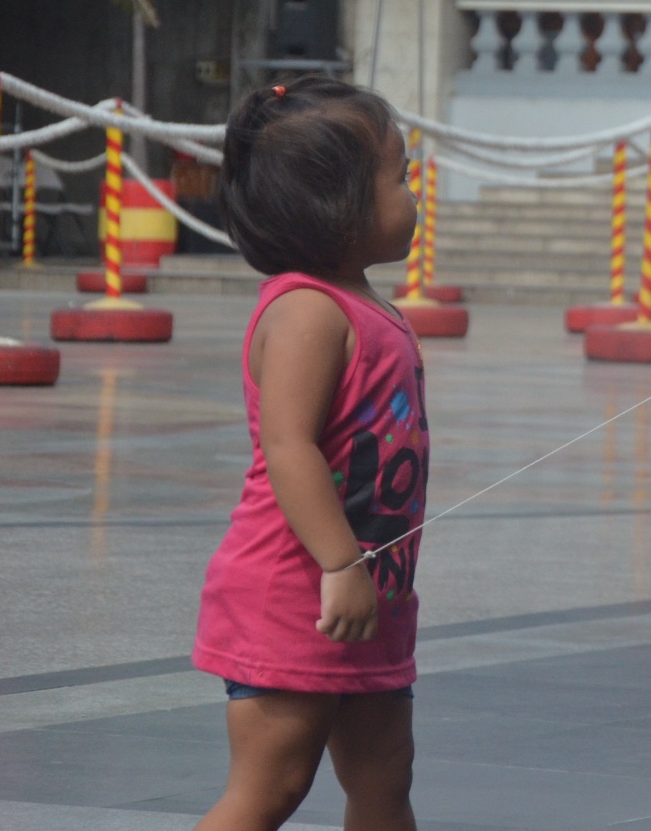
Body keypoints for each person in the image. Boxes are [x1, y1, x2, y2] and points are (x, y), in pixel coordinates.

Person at [193, 78, 430, 831]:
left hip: (370, 598)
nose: (412, 193)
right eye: (397, 178)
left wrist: (361, 576)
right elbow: (288, 445)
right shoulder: (306, 311)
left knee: (385, 779)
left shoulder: (363, 301)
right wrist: (340, 563)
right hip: (298, 592)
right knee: (272, 787)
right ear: (337, 206)